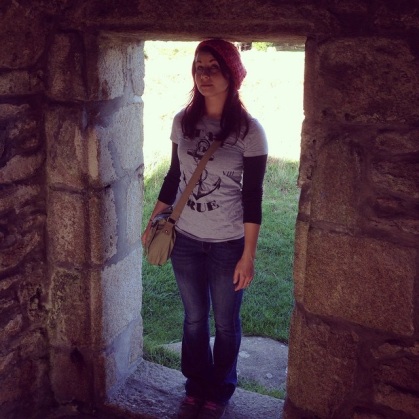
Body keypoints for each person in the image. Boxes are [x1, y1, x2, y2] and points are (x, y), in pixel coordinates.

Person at [142, 39, 268, 419]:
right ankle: (196, 385)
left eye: (214, 66)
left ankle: (221, 387)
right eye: (199, 65)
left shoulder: (250, 131)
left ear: (232, 74)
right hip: (186, 240)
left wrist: (248, 254)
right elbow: (174, 176)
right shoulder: (183, 122)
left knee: (226, 324)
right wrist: (154, 220)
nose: (204, 74)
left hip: (228, 243)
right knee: (194, 318)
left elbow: (253, 197)